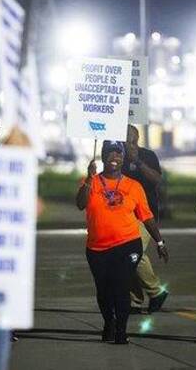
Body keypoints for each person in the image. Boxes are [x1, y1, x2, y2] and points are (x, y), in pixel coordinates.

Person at [76, 140, 169, 344]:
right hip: (97, 248)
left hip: (127, 244)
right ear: (102, 156)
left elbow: (147, 217)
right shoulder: (90, 182)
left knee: (121, 286)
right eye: (110, 153)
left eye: (118, 153)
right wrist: (90, 178)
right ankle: (109, 322)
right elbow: (80, 204)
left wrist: (159, 242)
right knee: (104, 290)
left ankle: (121, 331)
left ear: (124, 157)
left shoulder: (133, 186)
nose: (114, 158)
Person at [123, 125, 169, 313]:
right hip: (124, 215)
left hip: (145, 214)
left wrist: (138, 162)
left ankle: (156, 291)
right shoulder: (118, 157)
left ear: (138, 139)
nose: (128, 144)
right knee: (127, 257)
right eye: (125, 141)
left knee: (133, 253)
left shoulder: (148, 156)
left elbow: (157, 180)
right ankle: (135, 299)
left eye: (131, 140)